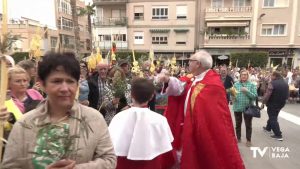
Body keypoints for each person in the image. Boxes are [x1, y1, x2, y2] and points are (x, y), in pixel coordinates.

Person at [2, 52, 116, 168]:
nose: (65, 88)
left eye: (70, 81)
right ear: (42, 84)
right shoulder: (25, 124)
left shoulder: (94, 119)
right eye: (57, 81)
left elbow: (109, 159)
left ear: (77, 85)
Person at [158, 50, 245, 169]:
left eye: (190, 61)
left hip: (201, 130)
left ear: (198, 64)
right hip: (186, 126)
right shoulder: (193, 77)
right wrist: (168, 80)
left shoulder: (212, 83)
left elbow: (212, 116)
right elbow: (179, 88)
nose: (188, 63)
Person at [109, 78, 174, 169]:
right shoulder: (160, 120)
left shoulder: (118, 117)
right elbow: (167, 152)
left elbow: (110, 145)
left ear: (131, 95)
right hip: (152, 165)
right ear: (152, 96)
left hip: (123, 164)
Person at [232, 70, 258, 147]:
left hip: (248, 108)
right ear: (240, 76)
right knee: (238, 124)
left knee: (248, 125)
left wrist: (247, 91)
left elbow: (255, 97)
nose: (243, 76)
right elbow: (232, 95)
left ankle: (248, 140)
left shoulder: (251, 85)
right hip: (237, 107)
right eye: (242, 75)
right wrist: (232, 97)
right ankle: (238, 138)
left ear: (248, 76)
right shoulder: (236, 84)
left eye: (245, 75)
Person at [261, 71, 289, 141]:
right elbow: (287, 95)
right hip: (281, 103)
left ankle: (278, 134)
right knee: (273, 115)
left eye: (271, 76)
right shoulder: (285, 83)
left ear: (275, 76)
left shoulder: (272, 83)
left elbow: (268, 94)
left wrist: (263, 102)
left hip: (273, 103)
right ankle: (268, 128)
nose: (271, 77)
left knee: (273, 117)